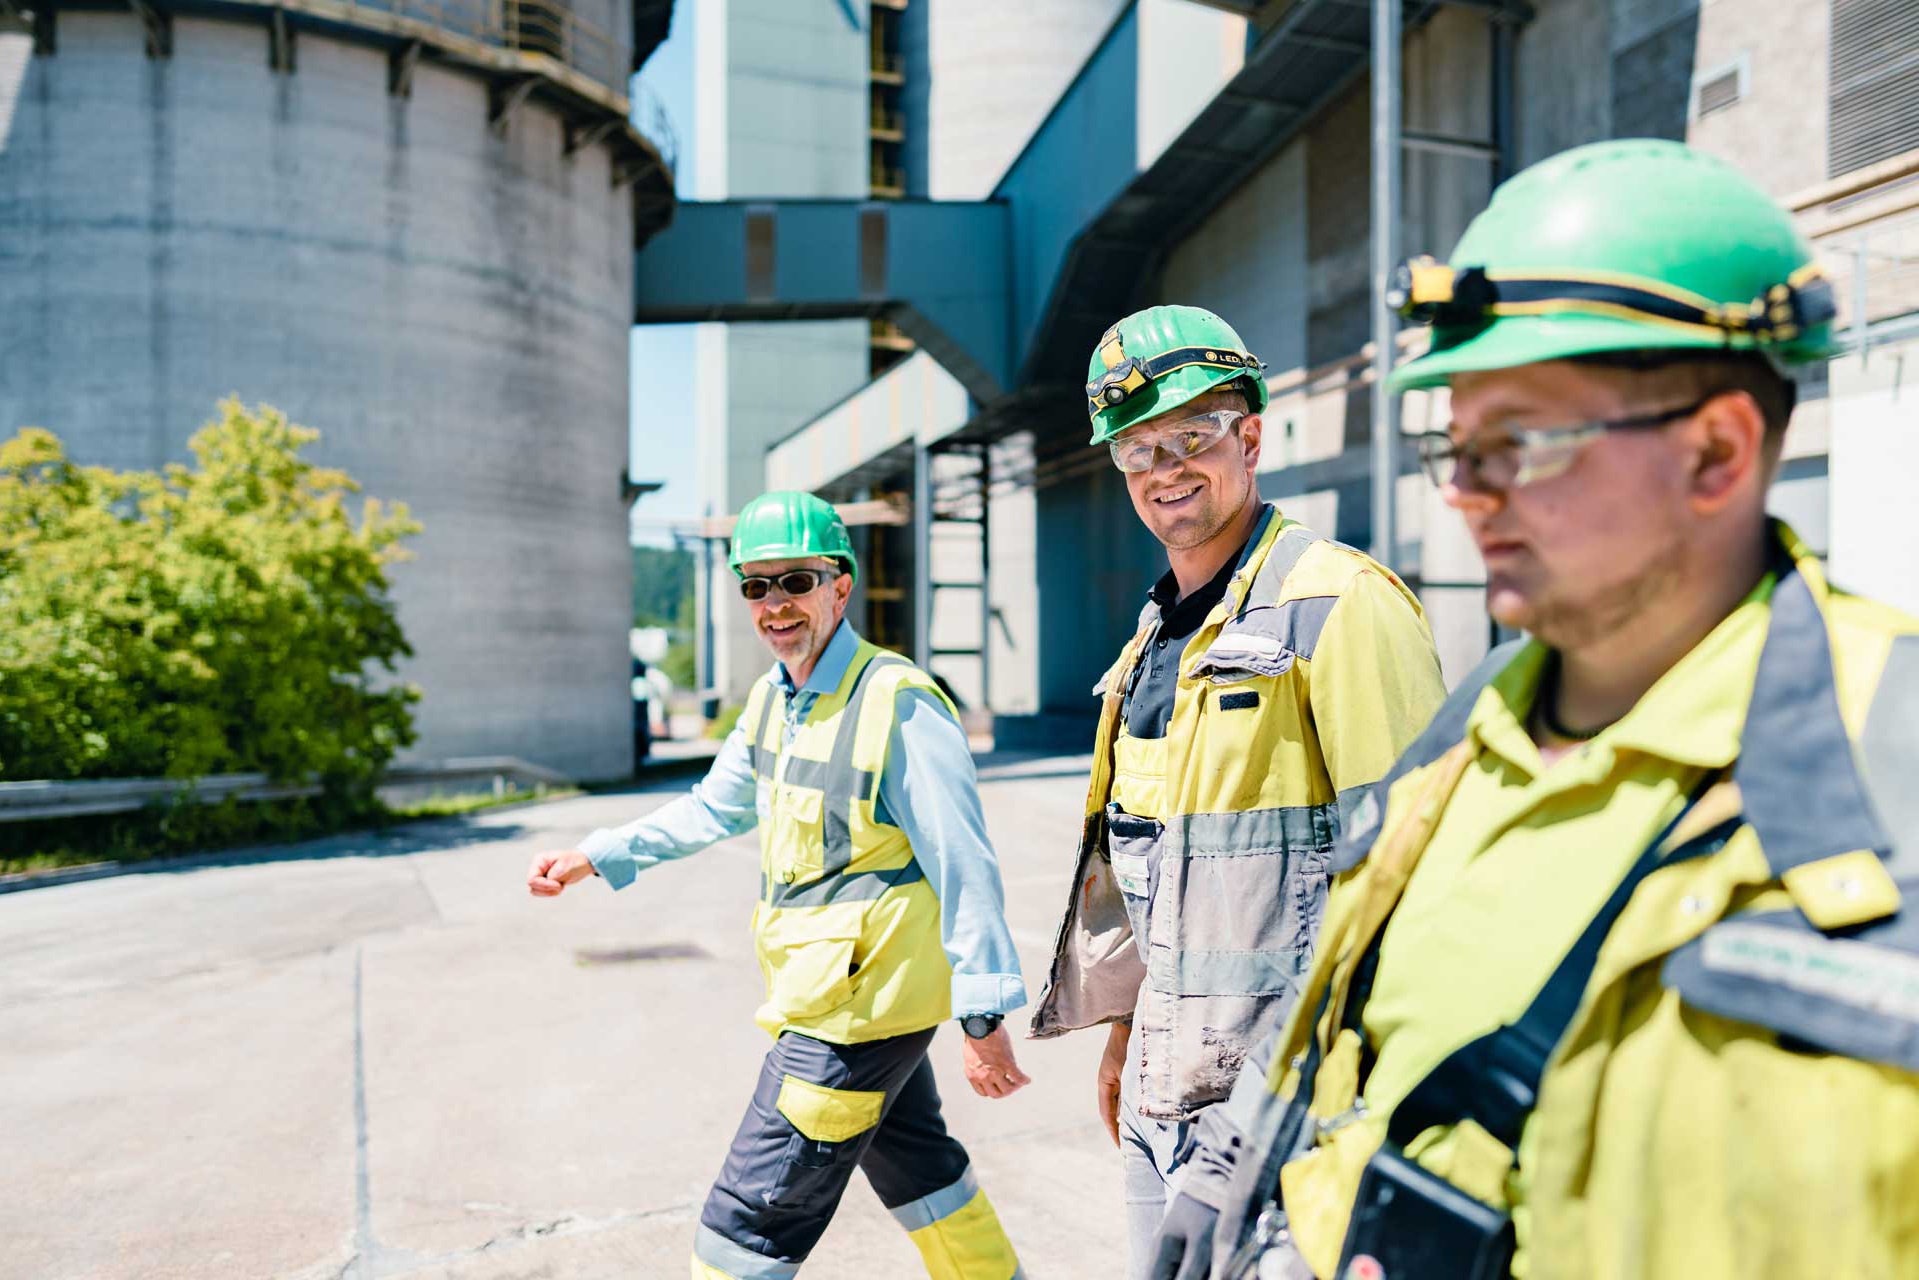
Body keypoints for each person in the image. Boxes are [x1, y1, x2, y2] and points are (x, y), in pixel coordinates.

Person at [1154, 138, 1919, 1280]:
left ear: (1717, 451)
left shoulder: (1884, 775)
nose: (1466, 493)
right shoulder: (1456, 746)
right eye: (1454, 445)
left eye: (1521, 442)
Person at [1025, 305, 1446, 1279]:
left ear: (1251, 435)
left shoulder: (1338, 607)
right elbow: (1144, 869)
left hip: (1284, 1118)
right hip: (1158, 1101)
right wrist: (1124, 1034)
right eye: (1138, 448)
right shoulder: (1150, 642)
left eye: (1193, 434)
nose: (1166, 467)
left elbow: (1410, 884)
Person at [528, 490, 1030, 1280]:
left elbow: (963, 860)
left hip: (853, 1016)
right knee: (925, 1178)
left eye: (793, 580)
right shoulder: (775, 699)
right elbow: (714, 807)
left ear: (841, 583)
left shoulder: (895, 703)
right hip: (837, 995)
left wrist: (982, 1016)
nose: (774, 605)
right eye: (754, 586)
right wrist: (599, 853)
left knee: (742, 1231)